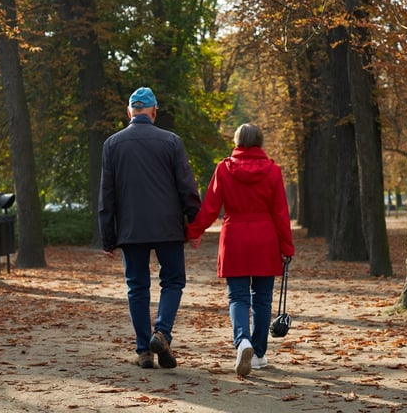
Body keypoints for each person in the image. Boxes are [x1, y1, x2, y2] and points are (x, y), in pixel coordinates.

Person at [99, 86, 201, 370]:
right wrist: (195, 221)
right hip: (167, 226)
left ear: (129, 112)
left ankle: (144, 349)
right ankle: (163, 333)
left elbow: (106, 195)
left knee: (137, 287)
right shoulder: (171, 141)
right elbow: (187, 187)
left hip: (131, 230)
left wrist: (108, 237)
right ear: (154, 112)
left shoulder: (112, 144)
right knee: (172, 282)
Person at [186, 123, 295, 377]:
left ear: (237, 142)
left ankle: (242, 341)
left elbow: (211, 206)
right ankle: (257, 353)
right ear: (260, 142)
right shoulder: (273, 171)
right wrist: (287, 246)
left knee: (237, 297)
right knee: (263, 298)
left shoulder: (224, 169)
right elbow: (280, 212)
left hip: (234, 236)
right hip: (265, 237)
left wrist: (194, 231)